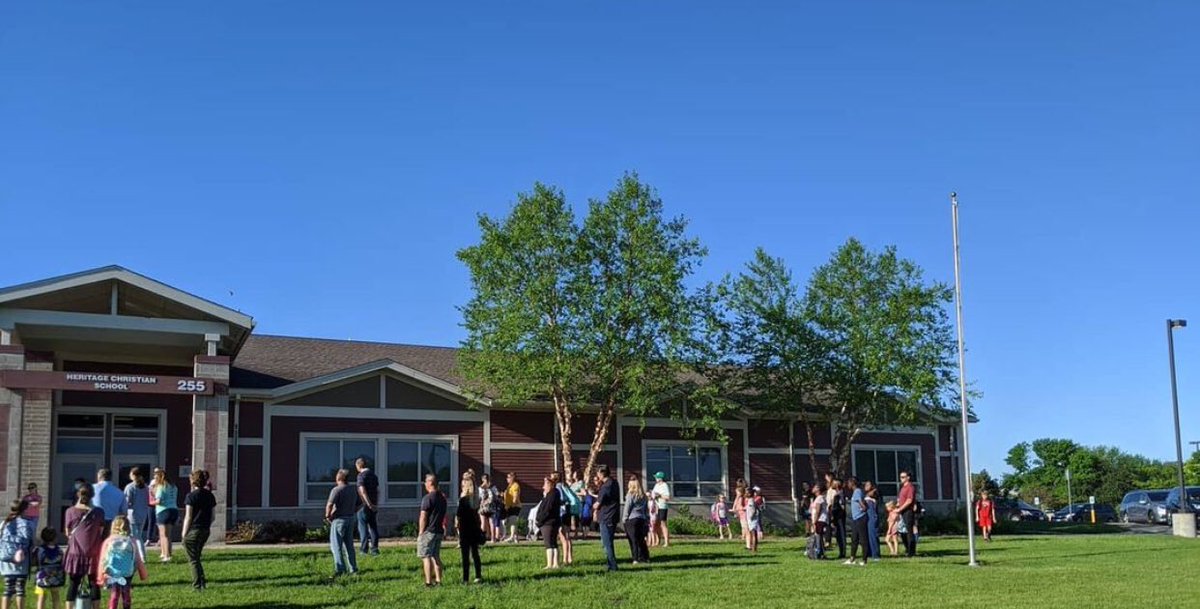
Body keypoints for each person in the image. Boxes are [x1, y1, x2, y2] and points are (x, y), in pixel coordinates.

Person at [64, 486, 105, 609]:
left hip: (75, 552)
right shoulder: (99, 512)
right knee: (94, 583)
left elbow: (68, 532)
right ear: (92, 495)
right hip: (93, 552)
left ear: (78, 494)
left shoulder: (70, 511)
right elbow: (101, 531)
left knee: (73, 583)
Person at [97, 516, 146, 609]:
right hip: (127, 572)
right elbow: (138, 559)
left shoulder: (109, 541)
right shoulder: (131, 541)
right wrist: (143, 574)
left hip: (113, 572)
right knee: (126, 593)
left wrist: (101, 576)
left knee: (114, 593)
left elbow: (102, 559)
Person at [180, 469, 216, 590]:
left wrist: (184, 534)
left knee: (193, 560)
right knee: (197, 557)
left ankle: (197, 585)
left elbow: (188, 517)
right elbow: (213, 516)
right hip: (205, 530)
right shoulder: (210, 495)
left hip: (194, 530)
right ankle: (202, 583)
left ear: (193, 481)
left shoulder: (191, 496)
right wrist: (206, 525)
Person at [324, 469, 358, 579]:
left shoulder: (336, 490)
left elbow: (330, 504)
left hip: (339, 520)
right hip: (351, 518)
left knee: (336, 546)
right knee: (349, 545)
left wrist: (328, 515)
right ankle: (353, 568)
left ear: (339, 478)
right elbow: (360, 504)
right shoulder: (353, 490)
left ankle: (340, 570)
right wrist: (353, 511)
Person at [1, 500, 33, 609]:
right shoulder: (27, 524)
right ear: (24, 509)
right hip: (22, 563)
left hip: (6, 562)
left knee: (7, 589)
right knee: (20, 590)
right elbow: (30, 542)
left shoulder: (4, 523)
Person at [417, 474, 447, 587]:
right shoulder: (442, 498)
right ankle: (439, 581)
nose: (425, 484)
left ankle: (428, 582)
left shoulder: (428, 498)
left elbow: (423, 517)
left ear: (430, 483)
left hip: (429, 531)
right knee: (436, 556)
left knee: (426, 556)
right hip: (439, 530)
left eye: (425, 481)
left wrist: (421, 532)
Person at [455, 476, 484, 584]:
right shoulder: (476, 500)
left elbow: (459, 515)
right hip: (474, 529)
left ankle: (465, 578)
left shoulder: (463, 500)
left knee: (465, 555)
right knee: (475, 553)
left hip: (465, 529)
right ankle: (478, 576)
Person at [349, 458, 379, 557]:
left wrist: (368, 503)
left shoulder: (361, 476)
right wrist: (375, 504)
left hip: (363, 505)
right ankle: (375, 549)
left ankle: (364, 550)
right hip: (374, 504)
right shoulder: (374, 476)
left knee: (363, 527)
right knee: (373, 527)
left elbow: (362, 490)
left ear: (358, 465)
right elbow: (378, 490)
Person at [595, 465, 620, 572]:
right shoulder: (615, 483)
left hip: (606, 517)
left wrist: (594, 506)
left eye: (598, 473)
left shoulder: (605, 486)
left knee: (607, 544)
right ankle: (610, 564)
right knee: (609, 542)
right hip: (613, 515)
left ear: (601, 473)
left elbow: (597, 504)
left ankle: (612, 566)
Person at [122, 469, 149, 563]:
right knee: (135, 536)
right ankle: (130, 554)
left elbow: (127, 501)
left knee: (136, 537)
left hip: (132, 514)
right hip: (143, 514)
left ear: (133, 475)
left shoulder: (130, 487)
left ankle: (142, 557)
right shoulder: (145, 487)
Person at [31, 527, 62, 609]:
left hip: (42, 576)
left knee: (41, 597)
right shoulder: (59, 550)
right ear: (55, 537)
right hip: (56, 576)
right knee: (55, 596)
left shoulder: (40, 550)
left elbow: (36, 562)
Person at [535, 478, 562, 570]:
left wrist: (539, 520)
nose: (543, 487)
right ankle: (556, 564)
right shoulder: (554, 494)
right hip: (553, 522)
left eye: (545, 485)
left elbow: (546, 510)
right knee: (554, 543)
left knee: (549, 544)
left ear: (550, 485)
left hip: (548, 523)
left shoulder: (551, 496)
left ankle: (550, 564)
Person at [151, 470, 177, 563]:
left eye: (155, 477)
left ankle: (166, 555)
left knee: (163, 535)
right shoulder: (173, 486)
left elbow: (159, 501)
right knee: (168, 535)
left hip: (163, 510)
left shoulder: (162, 487)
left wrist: (150, 502)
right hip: (174, 510)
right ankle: (168, 553)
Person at [623, 476, 650, 564]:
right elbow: (646, 509)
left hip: (632, 519)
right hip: (641, 519)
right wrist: (647, 519)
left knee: (633, 540)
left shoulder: (630, 495)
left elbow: (627, 507)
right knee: (641, 539)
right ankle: (645, 557)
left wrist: (624, 519)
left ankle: (635, 558)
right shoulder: (644, 496)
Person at [550, 473, 575, 565]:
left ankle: (565, 559)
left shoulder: (558, 487)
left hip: (562, 513)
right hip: (567, 511)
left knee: (563, 537)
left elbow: (560, 500)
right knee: (567, 536)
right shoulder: (565, 486)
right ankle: (570, 558)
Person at [844, 477, 868, 566]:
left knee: (863, 539)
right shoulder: (855, 492)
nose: (848, 485)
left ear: (853, 483)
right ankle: (852, 558)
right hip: (855, 518)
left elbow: (863, 504)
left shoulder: (857, 491)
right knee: (854, 539)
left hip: (860, 518)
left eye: (849, 483)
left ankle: (864, 560)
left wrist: (862, 508)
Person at [896, 470, 918, 557]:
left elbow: (909, 500)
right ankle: (907, 548)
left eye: (903, 477)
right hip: (902, 511)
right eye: (900, 477)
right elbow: (901, 499)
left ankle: (911, 552)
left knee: (909, 531)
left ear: (908, 477)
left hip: (908, 511)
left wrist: (900, 508)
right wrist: (896, 506)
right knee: (901, 531)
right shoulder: (903, 487)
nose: (901, 479)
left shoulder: (910, 487)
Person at [650, 472, 672, 548]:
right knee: (656, 524)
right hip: (656, 507)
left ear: (660, 478)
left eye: (656, 477)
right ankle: (657, 541)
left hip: (663, 506)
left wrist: (659, 495)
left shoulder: (664, 485)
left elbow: (668, 497)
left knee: (663, 524)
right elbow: (653, 494)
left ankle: (667, 542)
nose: (655, 478)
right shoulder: (656, 485)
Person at [863, 481, 881, 561]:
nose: (865, 486)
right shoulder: (866, 495)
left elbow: (871, 495)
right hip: (867, 516)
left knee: (873, 535)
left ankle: (876, 554)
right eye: (865, 485)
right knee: (867, 535)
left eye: (868, 484)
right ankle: (869, 552)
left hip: (872, 516)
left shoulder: (873, 493)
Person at [827, 479, 846, 559]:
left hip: (839, 516)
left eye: (834, 483)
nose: (832, 484)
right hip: (834, 515)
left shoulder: (840, 493)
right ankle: (841, 551)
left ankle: (843, 552)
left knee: (841, 533)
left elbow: (842, 505)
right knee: (837, 534)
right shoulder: (833, 492)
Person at [501, 473, 521, 543]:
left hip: (514, 506)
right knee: (512, 522)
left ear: (513, 478)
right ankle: (516, 538)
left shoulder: (515, 485)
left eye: (508, 477)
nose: (507, 478)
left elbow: (515, 496)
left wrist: (513, 503)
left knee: (512, 522)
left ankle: (512, 537)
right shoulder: (509, 486)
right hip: (509, 506)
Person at [810, 483, 828, 559]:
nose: (813, 488)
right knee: (818, 537)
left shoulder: (820, 498)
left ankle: (819, 552)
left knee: (818, 537)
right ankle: (821, 553)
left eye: (815, 487)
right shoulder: (817, 498)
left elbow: (818, 511)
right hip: (819, 520)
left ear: (818, 489)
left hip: (820, 520)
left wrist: (815, 521)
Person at [567, 471, 586, 539]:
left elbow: (584, 493)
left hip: (578, 502)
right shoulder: (573, 483)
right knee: (572, 518)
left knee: (577, 518)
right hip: (572, 503)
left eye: (574, 474)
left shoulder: (580, 483)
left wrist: (575, 493)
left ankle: (577, 533)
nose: (573, 475)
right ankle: (573, 532)